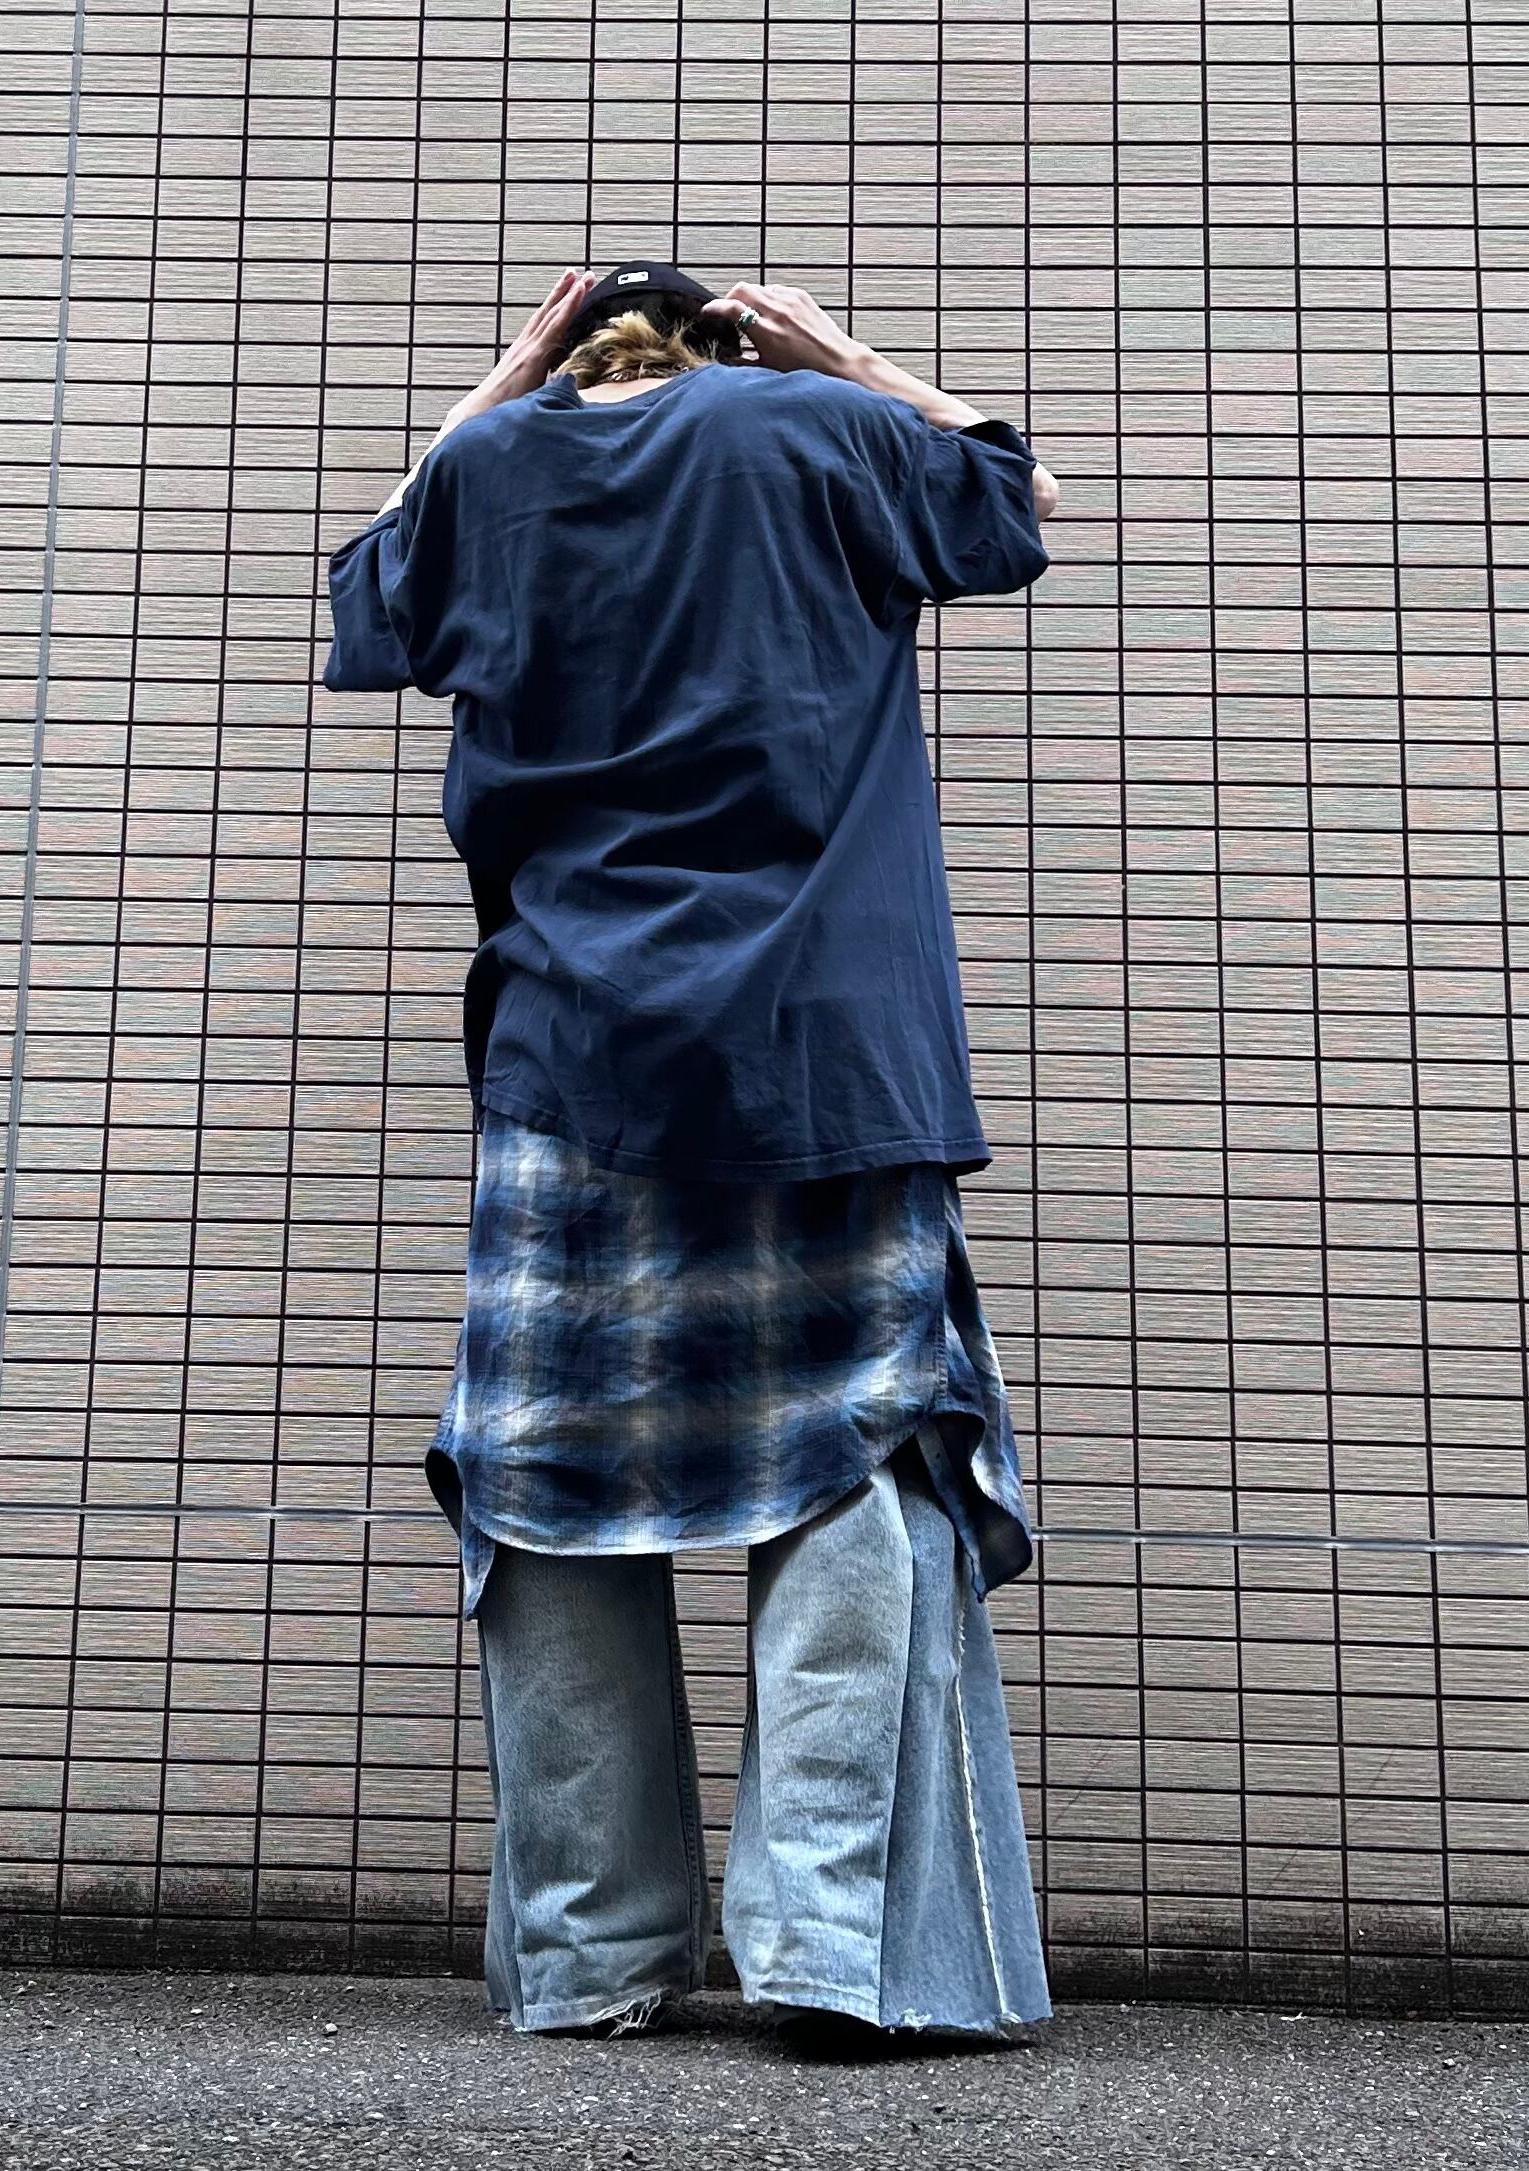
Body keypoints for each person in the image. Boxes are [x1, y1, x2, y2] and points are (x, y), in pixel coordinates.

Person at [323, 261, 1062, 2051]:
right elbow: (1015, 503)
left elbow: (374, 598)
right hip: (826, 1047)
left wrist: (491, 395)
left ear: (570, 356)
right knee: (849, 1460)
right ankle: (829, 1954)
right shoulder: (818, 429)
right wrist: (847, 353)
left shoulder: (492, 471)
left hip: (575, 1050)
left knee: (551, 1487)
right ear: (737, 346)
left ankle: (595, 1962)